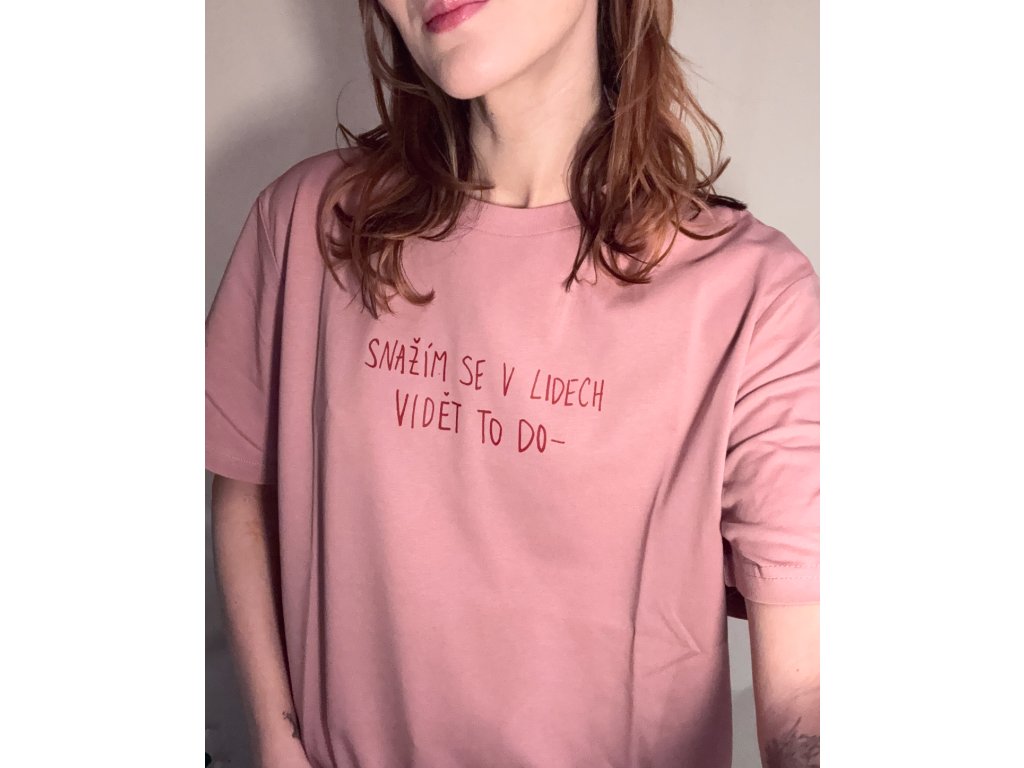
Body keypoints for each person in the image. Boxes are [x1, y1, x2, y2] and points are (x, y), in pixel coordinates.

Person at [205, 0, 820, 766]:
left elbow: (805, 689)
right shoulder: (307, 222)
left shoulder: (754, 299)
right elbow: (246, 483)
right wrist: (277, 739)